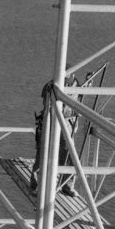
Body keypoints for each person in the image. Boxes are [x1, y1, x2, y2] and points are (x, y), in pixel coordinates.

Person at [30, 69, 80, 197]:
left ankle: (67, 185)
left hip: (67, 124)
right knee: (43, 154)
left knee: (69, 154)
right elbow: (48, 106)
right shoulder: (50, 86)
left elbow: (77, 106)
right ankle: (36, 185)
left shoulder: (76, 85)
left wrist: (75, 123)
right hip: (50, 121)